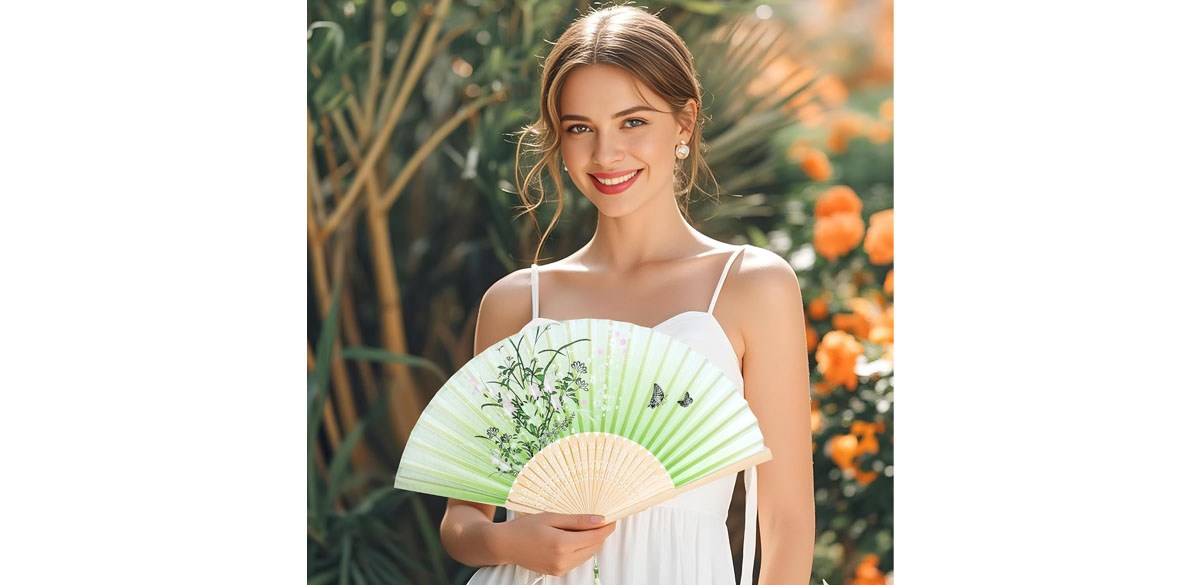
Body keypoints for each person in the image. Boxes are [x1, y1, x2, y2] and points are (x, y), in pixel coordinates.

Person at [439, 5, 814, 584]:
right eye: (580, 127)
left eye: (633, 121)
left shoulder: (751, 286)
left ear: (684, 122)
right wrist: (511, 539)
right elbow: (462, 522)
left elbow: (787, 524)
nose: (606, 154)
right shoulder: (516, 304)